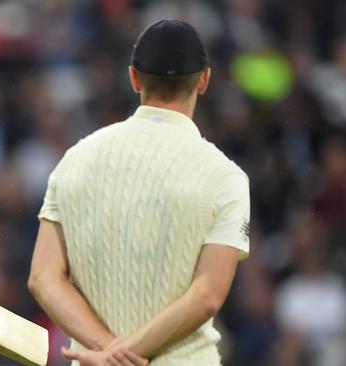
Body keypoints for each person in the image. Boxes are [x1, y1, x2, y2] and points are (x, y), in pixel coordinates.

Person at [28, 20, 250, 366]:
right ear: (204, 79)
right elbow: (207, 296)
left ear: (134, 78)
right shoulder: (225, 177)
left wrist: (108, 352)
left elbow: (44, 277)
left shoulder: (76, 159)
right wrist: (125, 355)